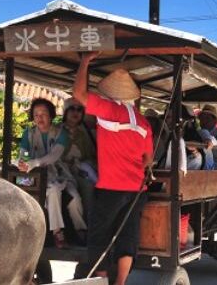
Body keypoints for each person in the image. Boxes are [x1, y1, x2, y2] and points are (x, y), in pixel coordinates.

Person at [73, 52, 153, 285]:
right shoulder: (143, 122)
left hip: (111, 189)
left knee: (99, 236)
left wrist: (85, 62)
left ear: (110, 93)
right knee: (128, 237)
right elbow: (147, 159)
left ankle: (100, 281)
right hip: (136, 190)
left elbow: (78, 94)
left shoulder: (108, 109)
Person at [16, 98, 87, 248]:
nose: (39, 118)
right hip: (34, 176)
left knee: (75, 198)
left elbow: (54, 155)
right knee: (52, 190)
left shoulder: (61, 133)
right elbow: (24, 154)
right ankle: (57, 233)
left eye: (43, 114)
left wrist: (34, 163)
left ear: (51, 115)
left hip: (59, 174)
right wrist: (24, 162)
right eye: (36, 115)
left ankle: (80, 231)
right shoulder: (28, 133)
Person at [61, 98, 97, 224]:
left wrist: (82, 165)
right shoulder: (56, 130)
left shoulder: (83, 133)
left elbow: (89, 155)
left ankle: (88, 225)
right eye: (72, 109)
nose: (76, 112)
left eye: (79, 109)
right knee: (73, 195)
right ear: (65, 112)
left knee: (88, 187)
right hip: (62, 173)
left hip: (79, 172)